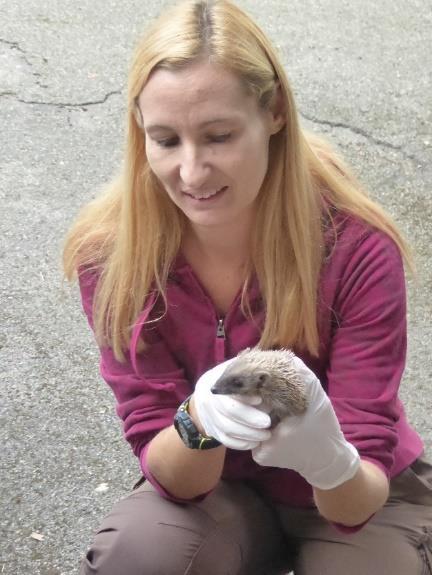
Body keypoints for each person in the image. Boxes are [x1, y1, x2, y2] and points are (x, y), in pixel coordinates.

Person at [63, 0, 432, 573]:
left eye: (218, 135)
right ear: (139, 132)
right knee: (142, 554)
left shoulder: (358, 248)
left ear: (275, 113)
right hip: (218, 494)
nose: (191, 172)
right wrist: (198, 420)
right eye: (164, 140)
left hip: (354, 495)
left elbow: (356, 503)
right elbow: (170, 470)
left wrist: (328, 459)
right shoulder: (112, 257)